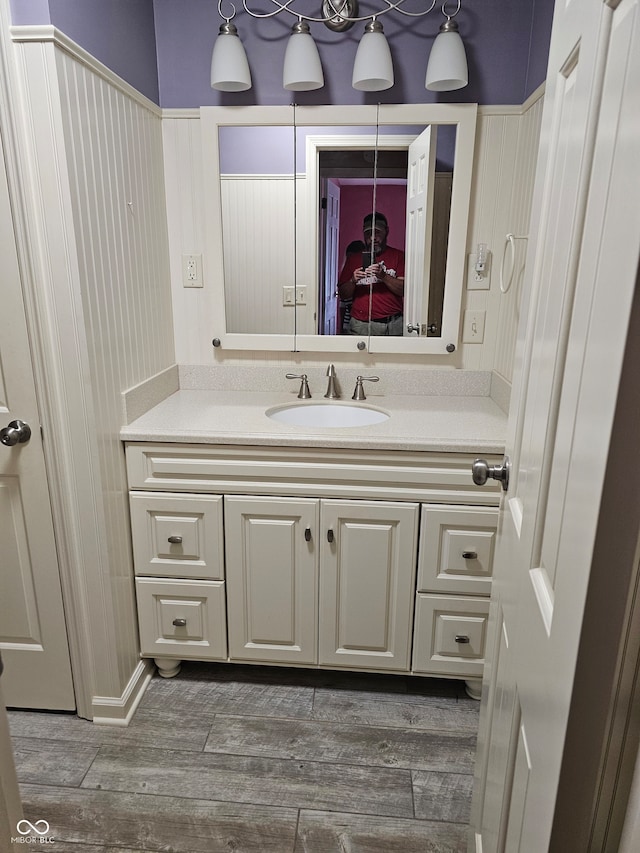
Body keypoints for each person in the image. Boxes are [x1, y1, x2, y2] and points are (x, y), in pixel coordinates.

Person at [338, 212, 405, 336]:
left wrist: (383, 276)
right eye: (368, 233)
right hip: (361, 325)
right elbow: (343, 294)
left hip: (393, 325)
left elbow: (403, 290)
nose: (373, 238)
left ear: (387, 231)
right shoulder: (353, 259)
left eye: (377, 232)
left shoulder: (398, 256)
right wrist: (353, 281)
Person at [339, 239, 365, 334]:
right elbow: (343, 304)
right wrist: (341, 327)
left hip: (360, 321)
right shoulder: (346, 278)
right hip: (348, 321)